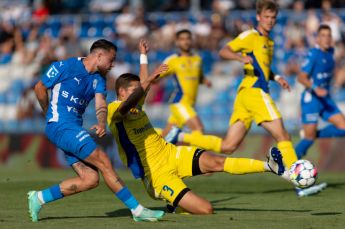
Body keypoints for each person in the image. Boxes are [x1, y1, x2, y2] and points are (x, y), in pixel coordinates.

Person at [165, 0, 326, 197]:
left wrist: (276, 77)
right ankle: (300, 183)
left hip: (247, 94)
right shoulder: (250, 36)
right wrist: (240, 58)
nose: (270, 21)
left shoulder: (269, 42)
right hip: (254, 91)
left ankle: (180, 136)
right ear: (258, 17)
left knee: (228, 146)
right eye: (266, 17)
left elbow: (263, 67)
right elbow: (224, 50)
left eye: (273, 18)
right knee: (283, 135)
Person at [107, 39, 286, 214]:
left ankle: (269, 166)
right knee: (205, 209)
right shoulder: (114, 109)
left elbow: (142, 84)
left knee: (218, 162)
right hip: (156, 175)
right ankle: (175, 204)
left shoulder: (136, 104)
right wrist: (147, 82)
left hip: (171, 153)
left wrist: (143, 56)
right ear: (121, 92)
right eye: (133, 91)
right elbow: (130, 101)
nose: (139, 95)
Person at [27, 39, 164, 222]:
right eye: (111, 59)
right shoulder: (66, 66)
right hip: (60, 125)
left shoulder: (99, 79)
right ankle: (137, 210)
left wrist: (101, 122)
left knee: (90, 179)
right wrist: (48, 113)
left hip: (71, 128)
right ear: (99, 55)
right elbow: (39, 88)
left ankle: (38, 198)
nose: (112, 64)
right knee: (103, 159)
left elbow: (100, 103)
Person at [295, 24, 345, 158]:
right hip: (312, 99)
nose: (326, 39)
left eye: (329, 36)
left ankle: (315, 133)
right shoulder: (313, 54)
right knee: (308, 139)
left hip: (325, 99)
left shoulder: (331, 52)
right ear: (317, 38)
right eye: (323, 36)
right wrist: (315, 88)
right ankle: (289, 164)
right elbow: (301, 77)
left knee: (343, 127)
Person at [157, 29, 212, 139]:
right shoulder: (172, 60)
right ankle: (197, 156)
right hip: (180, 103)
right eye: (182, 39)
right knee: (198, 129)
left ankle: (152, 153)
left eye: (188, 38)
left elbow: (199, 76)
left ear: (192, 41)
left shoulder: (197, 59)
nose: (185, 42)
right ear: (177, 42)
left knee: (166, 137)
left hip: (190, 104)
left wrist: (205, 81)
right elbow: (156, 76)